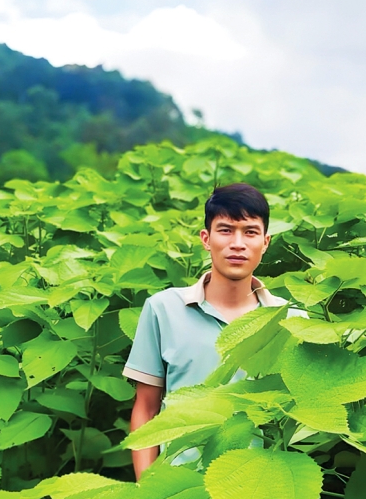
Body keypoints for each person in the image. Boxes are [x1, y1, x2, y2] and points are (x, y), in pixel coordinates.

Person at [123, 183, 305, 480]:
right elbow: (145, 407)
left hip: (260, 485)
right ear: (206, 239)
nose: (237, 243)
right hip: (181, 483)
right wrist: (147, 490)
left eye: (250, 232)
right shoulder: (163, 309)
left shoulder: (292, 320)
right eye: (225, 230)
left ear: (265, 242)